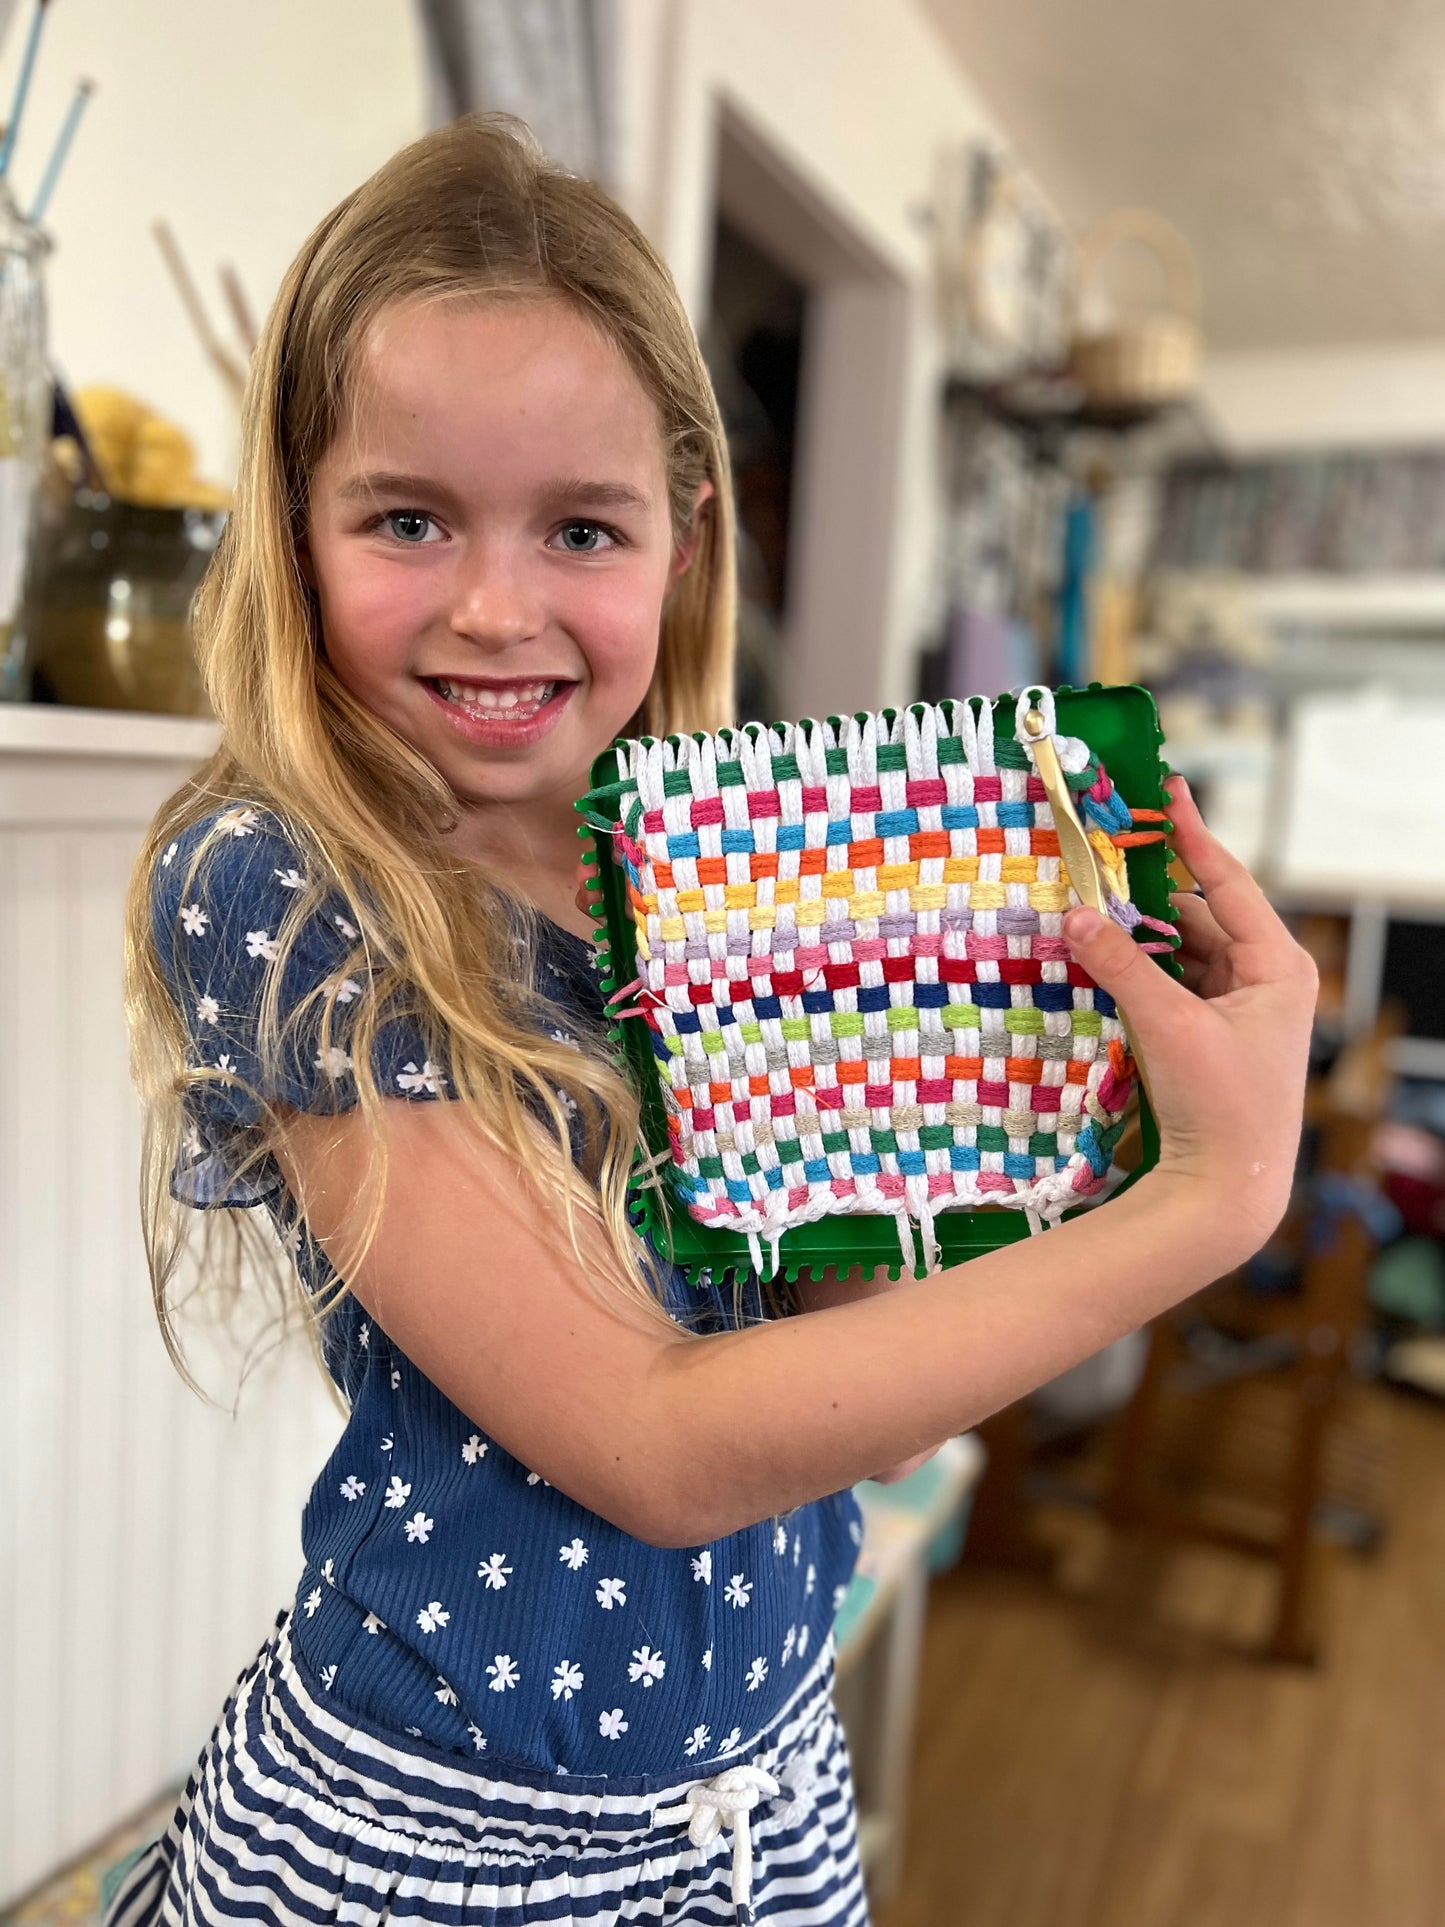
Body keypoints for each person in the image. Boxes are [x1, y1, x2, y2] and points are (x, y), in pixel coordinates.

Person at [108, 114, 1317, 1927]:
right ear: (297, 525)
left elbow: (866, 1396)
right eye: (409, 517)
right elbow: (660, 1445)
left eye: (578, 526)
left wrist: (1038, 1082)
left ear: (683, 538)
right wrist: (1203, 1205)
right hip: (431, 1847)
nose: (495, 607)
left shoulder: (719, 869)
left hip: (760, 1805)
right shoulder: (286, 883)